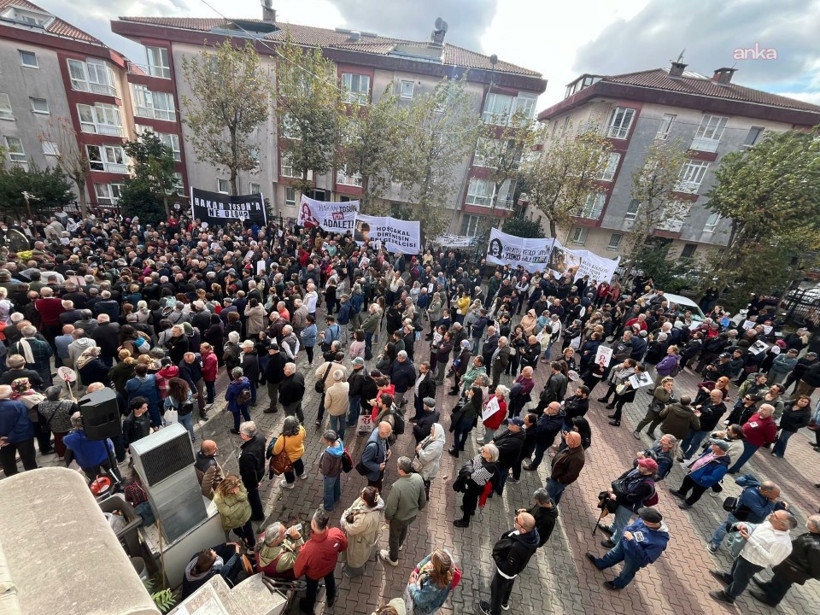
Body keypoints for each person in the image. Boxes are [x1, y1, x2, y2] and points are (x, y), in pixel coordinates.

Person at [710, 510, 797, 605]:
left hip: (753, 562)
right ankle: (729, 578)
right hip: (745, 554)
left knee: (741, 580)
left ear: (782, 525)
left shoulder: (782, 543)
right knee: (736, 569)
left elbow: (773, 560)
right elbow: (756, 527)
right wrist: (745, 526)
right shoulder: (770, 523)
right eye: (773, 512)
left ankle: (729, 596)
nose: (771, 514)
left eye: (775, 516)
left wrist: (750, 540)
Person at [586, 507, 669, 590]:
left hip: (634, 558)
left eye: (643, 520)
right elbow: (631, 528)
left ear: (650, 523)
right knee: (612, 555)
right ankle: (600, 564)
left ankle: (618, 584)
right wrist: (625, 534)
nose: (640, 520)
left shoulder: (659, 542)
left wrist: (632, 540)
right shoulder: (644, 520)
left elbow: (645, 558)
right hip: (624, 544)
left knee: (626, 572)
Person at [750, 514, 820, 606]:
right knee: (778, 578)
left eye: (809, 520)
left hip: (794, 569)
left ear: (814, 526)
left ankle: (772, 599)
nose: (806, 520)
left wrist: (805, 574)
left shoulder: (816, 545)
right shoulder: (812, 534)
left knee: (782, 584)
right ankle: (769, 586)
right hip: (789, 564)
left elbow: (816, 566)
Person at [478, 512, 539, 615]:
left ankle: (494, 611)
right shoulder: (533, 536)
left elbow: (506, 568)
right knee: (509, 584)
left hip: (505, 573)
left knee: (497, 590)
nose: (514, 519)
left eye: (517, 520)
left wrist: (497, 556)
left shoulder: (516, 547)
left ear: (523, 529)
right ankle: (504, 602)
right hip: (515, 570)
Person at [293, 508, 348, 615]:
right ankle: (331, 597)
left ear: (313, 525)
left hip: (313, 575)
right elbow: (344, 545)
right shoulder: (336, 533)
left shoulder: (307, 549)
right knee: (330, 580)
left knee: (311, 590)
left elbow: (298, 570)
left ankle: (309, 608)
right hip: (330, 567)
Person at [708, 480, 787, 552]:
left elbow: (768, 507)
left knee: (739, 534)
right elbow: (761, 513)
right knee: (726, 529)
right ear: (766, 492)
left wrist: (781, 506)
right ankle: (715, 542)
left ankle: (731, 546)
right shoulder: (751, 494)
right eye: (776, 495)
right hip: (739, 517)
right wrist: (772, 502)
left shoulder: (765, 493)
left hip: (751, 520)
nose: (778, 496)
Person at [599, 458, 658, 547]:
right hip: (622, 498)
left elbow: (631, 498)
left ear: (649, 471)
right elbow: (625, 478)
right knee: (618, 518)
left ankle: (615, 541)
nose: (639, 465)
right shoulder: (638, 472)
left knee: (621, 524)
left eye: (643, 465)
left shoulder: (647, 485)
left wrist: (616, 498)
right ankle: (612, 529)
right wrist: (615, 489)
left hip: (628, 506)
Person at [381, 456, 427, 566]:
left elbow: (391, 507)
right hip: (411, 515)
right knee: (404, 528)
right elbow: (423, 498)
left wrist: (387, 518)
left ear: (401, 470)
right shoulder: (418, 477)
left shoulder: (397, 487)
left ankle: (393, 558)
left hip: (398, 518)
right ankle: (400, 545)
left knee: (393, 537)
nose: (397, 468)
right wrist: (419, 508)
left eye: (397, 467)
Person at [671, 439, 731, 509]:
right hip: (694, 473)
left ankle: (688, 503)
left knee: (696, 493)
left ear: (718, 448)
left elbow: (715, 477)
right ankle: (681, 493)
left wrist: (703, 478)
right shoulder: (712, 451)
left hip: (702, 481)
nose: (711, 444)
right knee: (687, 481)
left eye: (714, 444)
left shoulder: (722, 465)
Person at [340, 486, 384, 577]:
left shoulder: (365, 519)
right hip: (363, 535)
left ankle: (353, 572)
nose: (360, 496)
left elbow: (352, 530)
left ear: (366, 501)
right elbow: (354, 505)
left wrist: (344, 522)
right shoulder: (372, 503)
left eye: (362, 497)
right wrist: (347, 513)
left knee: (355, 558)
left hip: (358, 541)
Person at [62, 411, 120, 481]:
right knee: (113, 471)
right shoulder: (98, 429)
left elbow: (66, 441)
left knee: (96, 479)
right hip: (106, 454)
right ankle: (118, 481)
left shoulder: (69, 439)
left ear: (74, 424)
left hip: (89, 462)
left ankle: (102, 489)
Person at [453, 443, 500, 528]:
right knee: (473, 498)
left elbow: (474, 476)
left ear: (490, 455)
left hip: (475, 486)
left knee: (466, 500)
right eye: (482, 449)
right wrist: (473, 466)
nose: (481, 451)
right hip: (474, 484)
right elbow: (472, 460)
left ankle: (465, 521)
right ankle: (472, 510)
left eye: (484, 451)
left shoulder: (490, 468)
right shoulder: (483, 457)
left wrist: (472, 466)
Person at [404, 549, 460, 615]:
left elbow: (420, 601)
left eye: (432, 562)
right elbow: (431, 556)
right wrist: (417, 569)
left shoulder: (434, 586)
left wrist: (412, 585)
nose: (429, 562)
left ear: (436, 569)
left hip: (421, 610)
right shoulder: (446, 560)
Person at [728, 403, 778, 473]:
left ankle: (732, 469)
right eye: (761, 408)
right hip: (741, 438)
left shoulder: (770, 424)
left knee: (742, 457)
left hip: (751, 443)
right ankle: (733, 466)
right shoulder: (756, 415)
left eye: (765, 410)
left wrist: (758, 439)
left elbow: (770, 438)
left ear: (770, 413)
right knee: (736, 453)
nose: (761, 410)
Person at [679, 388, 727, 460]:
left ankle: (687, 456)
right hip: (695, 423)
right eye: (711, 395)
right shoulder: (709, 399)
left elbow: (710, 417)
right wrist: (700, 409)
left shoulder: (721, 409)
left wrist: (701, 412)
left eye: (714, 396)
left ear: (720, 397)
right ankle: (680, 453)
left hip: (704, 428)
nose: (711, 397)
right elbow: (701, 405)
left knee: (695, 443)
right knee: (687, 438)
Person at [0, 384, 36, 476]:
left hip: (2, 441)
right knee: (29, 461)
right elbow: (23, 423)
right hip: (22, 437)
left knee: (8, 463)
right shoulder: (17, 404)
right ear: (11, 393)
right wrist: (9, 438)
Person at [213, 474, 255, 549]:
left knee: (249, 530)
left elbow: (244, 497)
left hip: (245, 513)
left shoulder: (237, 482)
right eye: (231, 491)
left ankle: (251, 546)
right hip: (233, 520)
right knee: (238, 531)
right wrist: (240, 503)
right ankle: (243, 538)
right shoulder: (218, 498)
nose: (233, 492)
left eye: (235, 490)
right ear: (226, 489)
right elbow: (227, 512)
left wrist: (238, 493)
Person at [546, 431, 585, 505]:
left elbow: (572, 475)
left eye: (568, 438)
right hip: (557, 478)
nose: (566, 438)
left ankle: (548, 511)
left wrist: (559, 479)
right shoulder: (574, 446)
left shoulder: (578, 458)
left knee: (547, 496)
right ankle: (554, 504)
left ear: (572, 442)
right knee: (557, 493)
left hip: (557, 481)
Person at [237, 421, 266, 521]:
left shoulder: (247, 455)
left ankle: (258, 515)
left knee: (253, 496)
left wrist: (254, 484)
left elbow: (250, 472)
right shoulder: (261, 437)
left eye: (240, 433)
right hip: (260, 468)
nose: (239, 434)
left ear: (245, 435)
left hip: (252, 479)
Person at [270, 415, 307, 489]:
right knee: (298, 463)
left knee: (288, 470)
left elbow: (275, 451)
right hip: (299, 452)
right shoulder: (301, 429)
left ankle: (290, 483)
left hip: (288, 458)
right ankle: (302, 474)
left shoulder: (282, 438)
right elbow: (304, 437)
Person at [492, 417, 525, 496]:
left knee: (497, 476)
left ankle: (491, 492)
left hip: (504, 461)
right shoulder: (511, 430)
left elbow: (502, 449)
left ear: (517, 427)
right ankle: (499, 490)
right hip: (503, 460)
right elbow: (501, 435)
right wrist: (494, 440)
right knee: (501, 476)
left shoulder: (516, 441)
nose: (509, 424)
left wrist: (491, 447)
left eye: (511, 423)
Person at [448, 386, 483, 457]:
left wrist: (465, 397)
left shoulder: (471, 403)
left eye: (472, 390)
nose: (470, 390)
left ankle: (456, 451)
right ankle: (461, 445)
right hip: (471, 420)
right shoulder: (479, 401)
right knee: (465, 433)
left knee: (457, 434)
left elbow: (462, 409)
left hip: (464, 420)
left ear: (474, 393)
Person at [415, 422, 445, 499]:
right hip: (426, 464)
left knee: (423, 479)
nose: (431, 428)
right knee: (424, 480)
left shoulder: (437, 446)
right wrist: (421, 443)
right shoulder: (434, 436)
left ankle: (423, 496)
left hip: (428, 466)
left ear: (437, 431)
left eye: (432, 428)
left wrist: (419, 450)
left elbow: (426, 457)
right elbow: (426, 439)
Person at [361, 421, 392, 491]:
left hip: (380, 468)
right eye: (389, 432)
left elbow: (385, 442)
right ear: (383, 433)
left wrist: (388, 449)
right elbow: (365, 461)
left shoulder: (380, 431)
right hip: (374, 474)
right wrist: (378, 467)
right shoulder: (372, 446)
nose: (390, 433)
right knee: (374, 489)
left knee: (379, 483)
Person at [319, 429, 345, 512]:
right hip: (337, 470)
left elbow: (325, 469)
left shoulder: (328, 454)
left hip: (330, 474)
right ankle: (336, 497)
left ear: (329, 443)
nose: (324, 442)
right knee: (336, 484)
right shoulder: (340, 442)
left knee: (328, 490)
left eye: (325, 441)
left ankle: (328, 506)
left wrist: (323, 472)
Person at [165, 377, 195, 442]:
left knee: (181, 427)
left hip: (177, 415)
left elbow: (166, 406)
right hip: (187, 411)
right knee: (188, 424)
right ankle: (192, 437)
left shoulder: (170, 398)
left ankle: (184, 439)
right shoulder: (188, 391)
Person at [225, 367, 252, 435]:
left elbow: (227, 397)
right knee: (245, 412)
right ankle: (249, 425)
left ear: (234, 376)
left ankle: (237, 429)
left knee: (236, 416)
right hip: (244, 400)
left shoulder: (232, 386)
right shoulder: (246, 380)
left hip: (235, 403)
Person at [324, 369, 349, 440]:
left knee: (333, 425)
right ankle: (341, 435)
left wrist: (326, 407)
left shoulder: (330, 390)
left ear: (333, 378)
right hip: (343, 409)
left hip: (333, 411)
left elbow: (327, 404)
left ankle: (334, 437)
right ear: (342, 377)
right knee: (342, 422)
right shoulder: (347, 385)